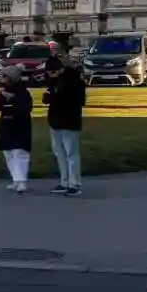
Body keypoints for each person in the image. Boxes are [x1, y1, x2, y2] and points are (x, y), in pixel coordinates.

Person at [42, 55, 86, 197]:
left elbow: (78, 100)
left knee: (71, 153)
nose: (50, 75)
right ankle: (64, 181)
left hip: (69, 120)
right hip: (55, 120)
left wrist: (57, 95)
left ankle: (74, 183)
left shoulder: (73, 81)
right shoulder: (53, 81)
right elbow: (49, 97)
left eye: (52, 72)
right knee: (59, 153)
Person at [0, 67, 33, 193]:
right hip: (6, 125)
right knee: (8, 153)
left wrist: (12, 99)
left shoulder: (23, 92)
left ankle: (22, 181)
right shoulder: (2, 91)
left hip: (20, 126)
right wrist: (1, 97)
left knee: (19, 153)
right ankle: (15, 179)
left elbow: (26, 108)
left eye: (4, 76)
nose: (2, 79)